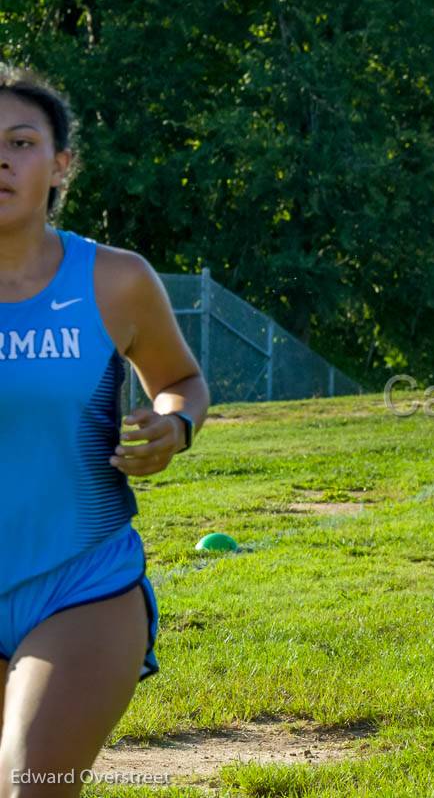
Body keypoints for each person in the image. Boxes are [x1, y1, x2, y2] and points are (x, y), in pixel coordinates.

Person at [0, 67, 208, 793]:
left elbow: (181, 381)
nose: (0, 159)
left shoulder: (114, 280)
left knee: (34, 782)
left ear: (60, 164)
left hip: (81, 583)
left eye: (20, 142)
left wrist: (174, 426)